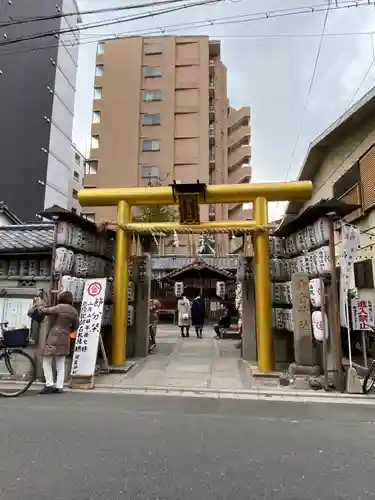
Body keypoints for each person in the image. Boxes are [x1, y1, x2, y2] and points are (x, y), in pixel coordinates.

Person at [35, 291, 79, 394]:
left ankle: (49, 384)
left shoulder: (59, 307)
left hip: (54, 335)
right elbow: (76, 325)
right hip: (65, 337)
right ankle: (59, 386)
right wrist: (69, 330)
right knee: (60, 363)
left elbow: (43, 311)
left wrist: (39, 303)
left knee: (47, 360)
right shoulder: (74, 311)